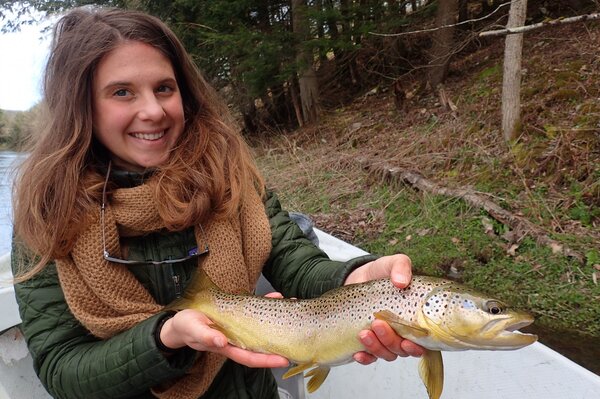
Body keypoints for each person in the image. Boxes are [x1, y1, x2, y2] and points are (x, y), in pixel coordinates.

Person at [11, 7, 423, 399]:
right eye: (122, 92)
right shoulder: (46, 217)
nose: (153, 110)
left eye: (164, 88)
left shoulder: (230, 180)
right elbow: (62, 369)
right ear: (82, 106)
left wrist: (354, 279)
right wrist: (165, 337)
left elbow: (297, 261)